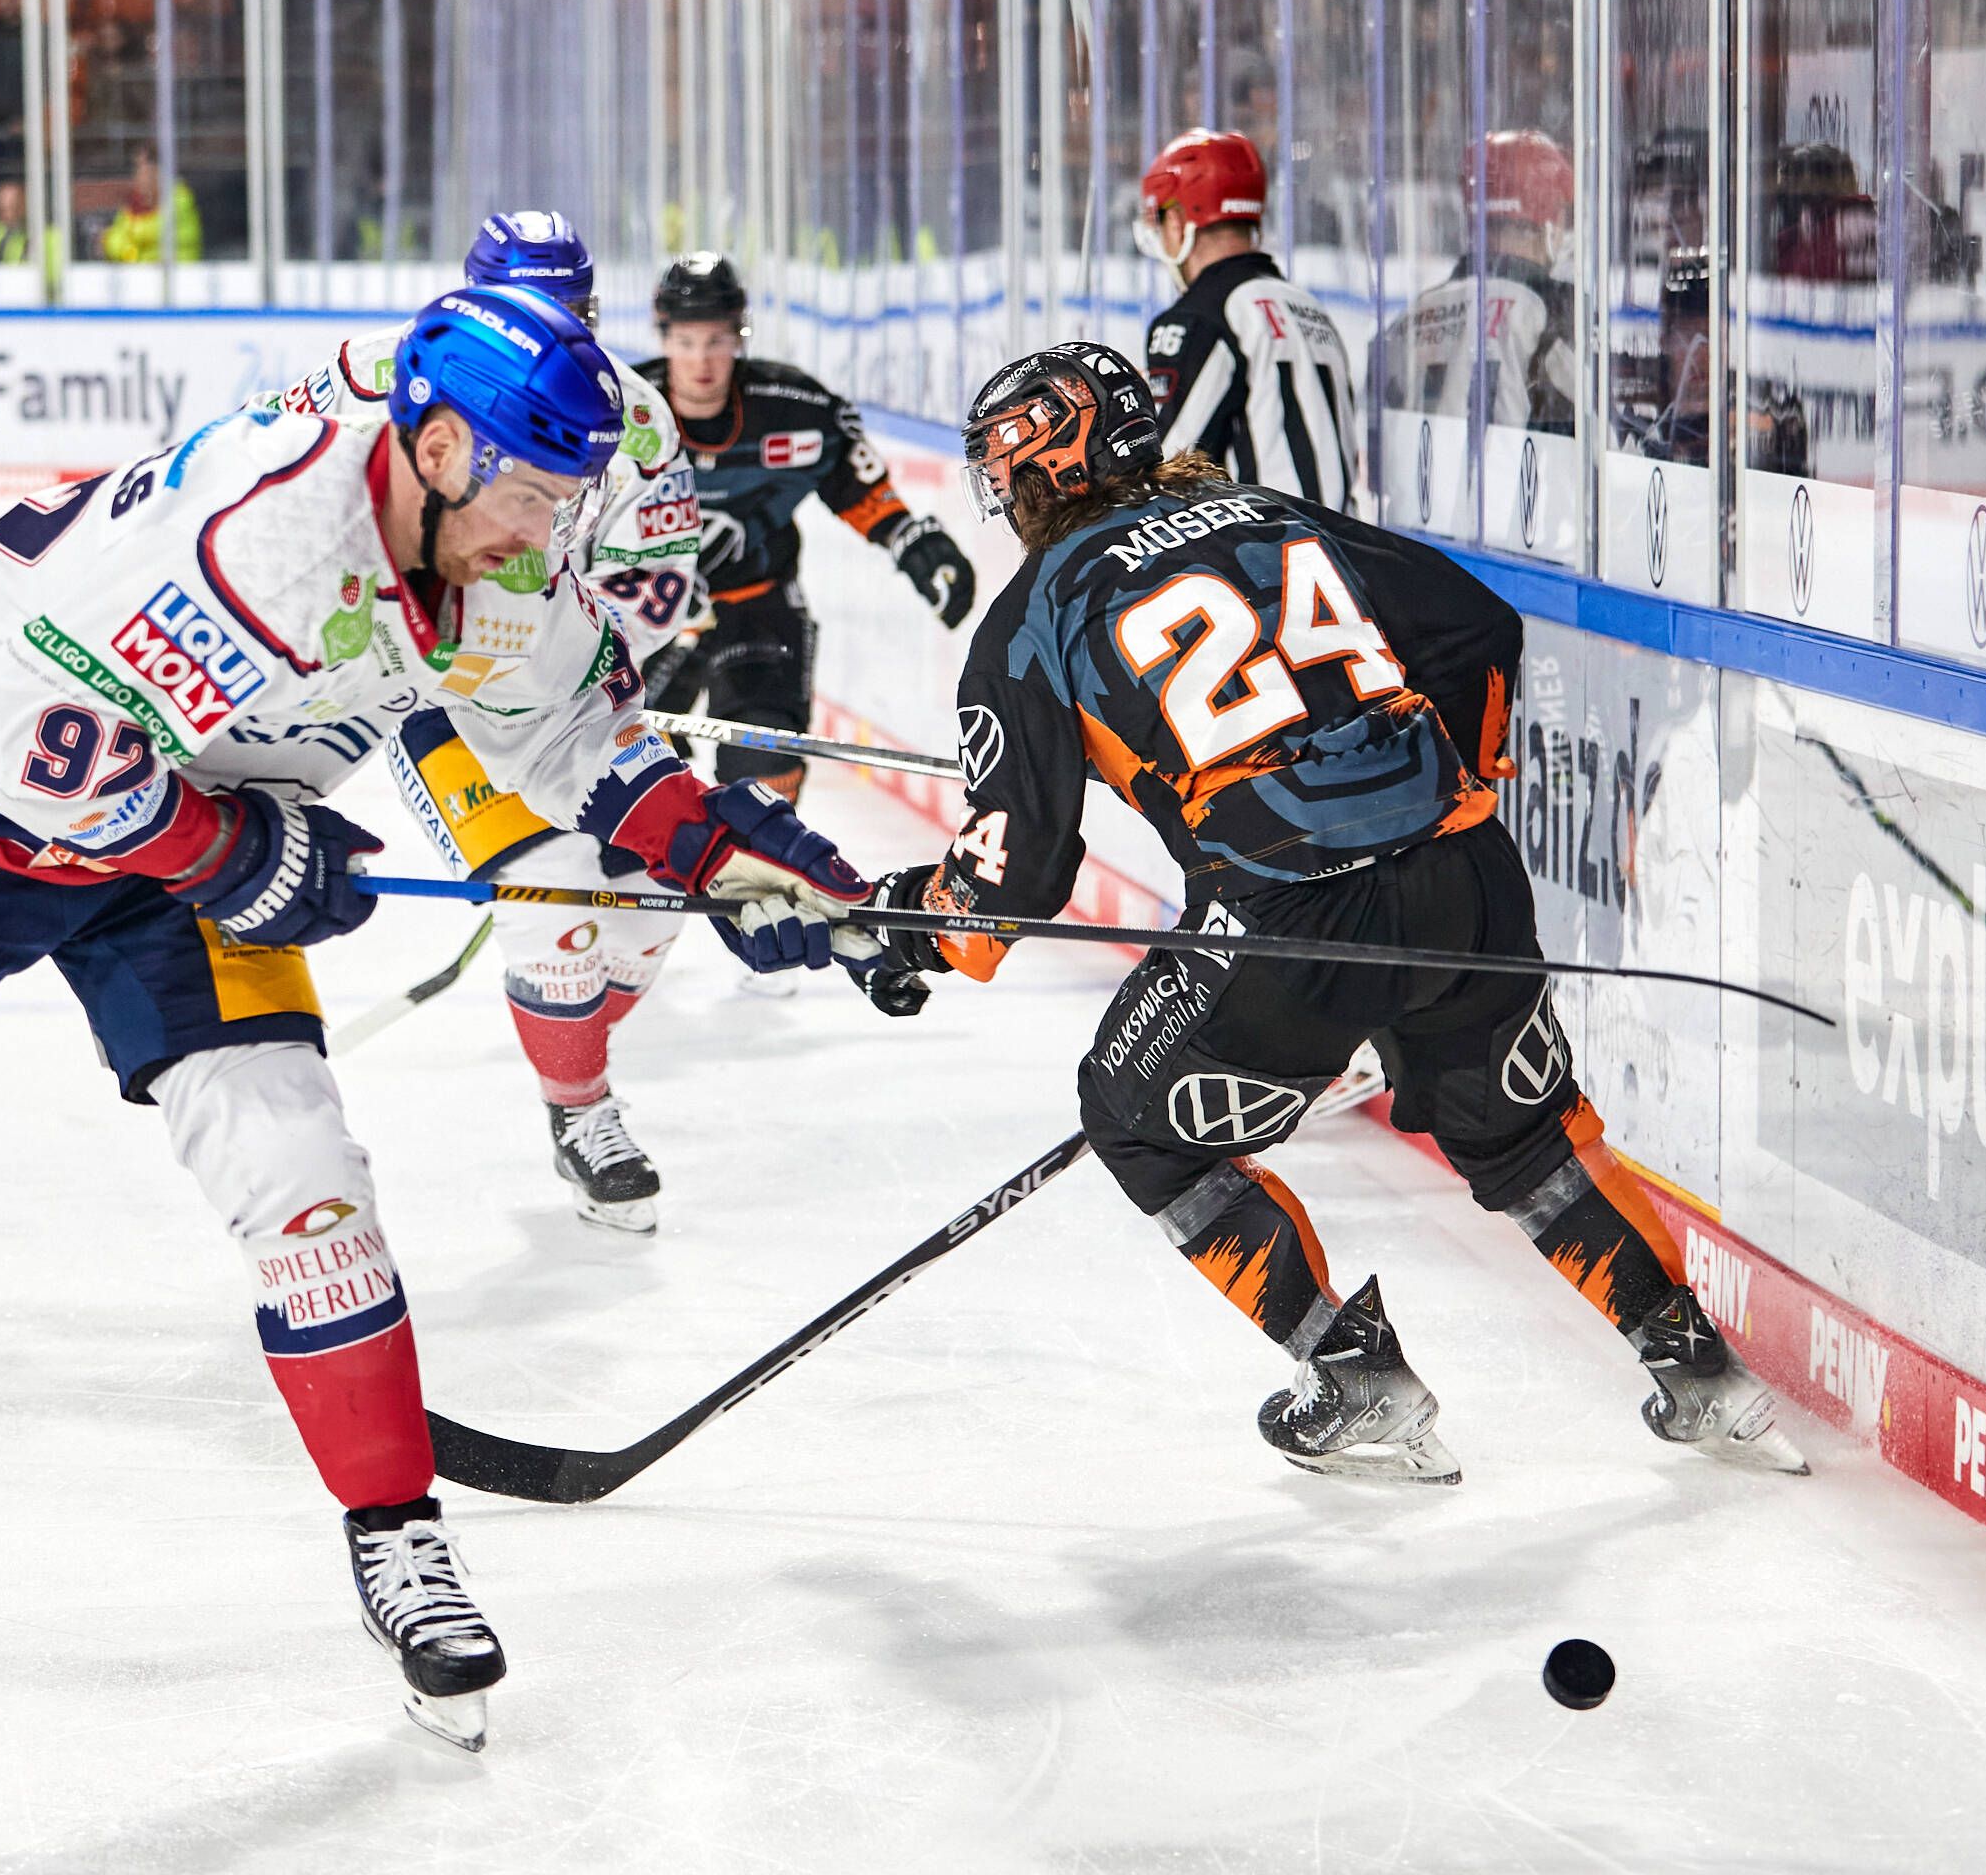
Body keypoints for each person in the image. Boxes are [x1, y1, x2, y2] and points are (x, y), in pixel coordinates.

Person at [0, 285, 896, 1752]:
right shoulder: (261, 543)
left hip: (176, 836)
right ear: (434, 449)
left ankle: (394, 1536)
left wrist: (734, 849)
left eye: (569, 501)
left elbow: (565, 737)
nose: (543, 537)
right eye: (533, 495)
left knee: (307, 1183)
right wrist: (244, 859)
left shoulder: (496, 536)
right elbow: (40, 763)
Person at [859, 341, 1808, 1484]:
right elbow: (1476, 628)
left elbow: (1007, 893)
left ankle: (1352, 1370)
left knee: (1133, 1116)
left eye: (1004, 475)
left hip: (1287, 927)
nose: (1002, 500)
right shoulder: (1264, 510)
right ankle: (1700, 1369)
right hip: (1467, 879)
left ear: (1042, 467)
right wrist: (1434, 787)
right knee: (1526, 1136)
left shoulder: (1031, 620)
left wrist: (909, 919)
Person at [263, 209, 730, 1233]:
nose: (555, 341)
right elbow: (261, 468)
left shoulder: (632, 419)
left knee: (649, 896)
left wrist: (572, 652)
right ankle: (582, 1107)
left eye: (570, 314)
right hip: (424, 687)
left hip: (550, 686)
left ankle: (571, 1044)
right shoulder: (375, 372)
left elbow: (656, 577)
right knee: (553, 903)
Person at [635, 253, 978, 809]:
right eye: (687, 341)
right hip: (648, 613)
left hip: (759, 607)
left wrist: (912, 541)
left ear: (739, 336)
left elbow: (858, 484)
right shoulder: (624, 410)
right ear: (663, 335)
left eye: (717, 341)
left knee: (763, 778)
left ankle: (756, 880)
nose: (702, 360)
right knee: (626, 780)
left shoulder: (794, 408)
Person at [1133, 129, 1364, 515]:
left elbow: (1166, 476)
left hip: (1263, 558)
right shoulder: (1309, 308)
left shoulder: (1196, 318)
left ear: (1178, 221)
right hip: (1340, 553)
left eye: (1162, 218)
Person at [1375, 128, 1579, 435]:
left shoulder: (1412, 315)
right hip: (1510, 481)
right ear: (1549, 218)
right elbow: (1607, 450)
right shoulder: (1549, 313)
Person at [102, 143, 203, 264]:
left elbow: (153, 232)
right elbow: (113, 239)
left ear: (159, 172)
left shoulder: (180, 200)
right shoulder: (134, 204)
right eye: (137, 169)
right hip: (142, 278)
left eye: (144, 169)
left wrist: (130, 251)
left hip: (181, 277)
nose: (139, 176)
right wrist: (129, 251)